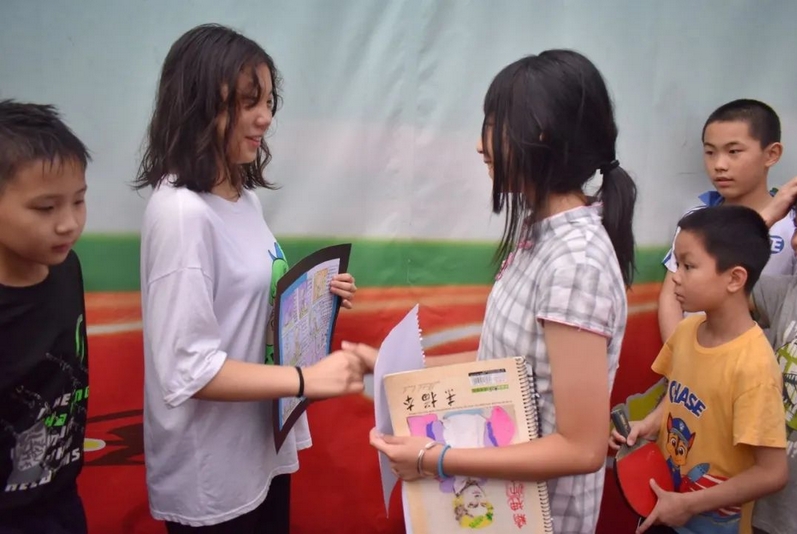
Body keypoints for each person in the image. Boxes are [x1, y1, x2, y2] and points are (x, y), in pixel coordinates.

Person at [349, 49, 638, 533]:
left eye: (494, 123)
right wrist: (390, 368)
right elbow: (505, 365)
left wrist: (435, 458)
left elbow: (582, 448)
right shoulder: (539, 233)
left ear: (540, 133)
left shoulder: (576, 263)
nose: (480, 144)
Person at [134, 24, 366, 533]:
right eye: (246, 102)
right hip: (213, 475)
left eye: (267, 101)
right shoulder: (182, 213)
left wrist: (316, 299)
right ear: (197, 105)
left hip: (257, 451)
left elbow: (245, 304)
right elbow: (188, 370)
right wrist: (305, 380)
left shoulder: (244, 197)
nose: (265, 118)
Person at [611, 205, 788, 534]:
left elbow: (772, 472)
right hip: (664, 504)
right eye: (677, 264)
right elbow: (679, 395)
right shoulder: (686, 331)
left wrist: (689, 505)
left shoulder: (754, 368)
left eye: (688, 266)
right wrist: (649, 424)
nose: (676, 276)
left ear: (734, 278)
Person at [0, 100, 91, 533]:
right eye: (45, 208)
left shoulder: (67, 267)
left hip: (60, 496)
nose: (68, 224)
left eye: (79, 201)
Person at [658, 99, 797, 342]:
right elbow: (670, 296)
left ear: (771, 154)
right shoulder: (697, 218)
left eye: (733, 152)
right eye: (710, 152)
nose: (719, 165)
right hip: (691, 355)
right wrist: (677, 355)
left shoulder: (792, 228)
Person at [746, 176, 797, 534]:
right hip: (777, 516)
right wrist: (768, 215)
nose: (796, 241)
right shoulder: (785, 295)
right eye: (796, 226)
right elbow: (720, 275)